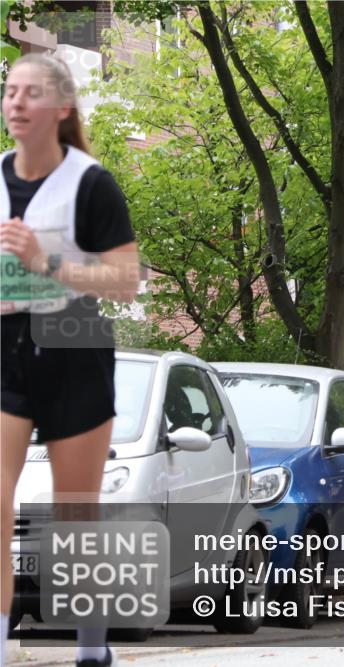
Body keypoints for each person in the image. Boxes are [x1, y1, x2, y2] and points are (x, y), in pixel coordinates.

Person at [1, 54, 139, 667]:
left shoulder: (90, 182)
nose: (16, 103)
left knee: (74, 511)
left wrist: (48, 264)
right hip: (6, 346)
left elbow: (127, 280)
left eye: (31, 93)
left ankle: (91, 649)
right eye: (9, 92)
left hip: (74, 342)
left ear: (61, 109)